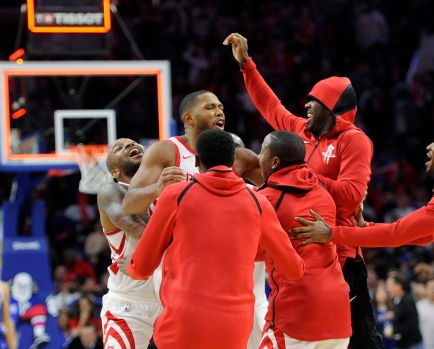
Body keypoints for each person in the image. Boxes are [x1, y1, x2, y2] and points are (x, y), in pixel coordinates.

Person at [292, 122, 434, 349]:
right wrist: (364, 227)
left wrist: (332, 233)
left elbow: (397, 234)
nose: (428, 147)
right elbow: (421, 236)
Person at [223, 32, 381, 349]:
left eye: (315, 101)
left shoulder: (354, 140)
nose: (306, 105)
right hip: (301, 250)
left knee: (362, 340)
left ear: (333, 108)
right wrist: (247, 65)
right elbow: (271, 105)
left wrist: (301, 173)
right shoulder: (300, 131)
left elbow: (351, 196)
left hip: (340, 252)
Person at [118, 129, 304, 349]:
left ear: (197, 160)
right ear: (234, 160)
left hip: (182, 324)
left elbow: (142, 267)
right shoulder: (259, 202)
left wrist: (130, 268)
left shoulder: (176, 194)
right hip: (235, 330)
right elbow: (294, 269)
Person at [256, 130, 351, 349]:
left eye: (262, 151)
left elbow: (248, 250)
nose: (258, 157)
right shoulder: (322, 191)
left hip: (298, 311)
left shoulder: (267, 199)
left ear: (275, 161)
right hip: (337, 310)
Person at [121, 90, 262, 216]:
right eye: (210, 107)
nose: (220, 112)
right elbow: (129, 205)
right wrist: (157, 189)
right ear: (189, 118)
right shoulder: (166, 151)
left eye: (221, 108)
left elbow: (276, 192)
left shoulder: (241, 157)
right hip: (180, 241)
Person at [96, 138, 161, 349]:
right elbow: (144, 233)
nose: (129, 146)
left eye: (132, 143)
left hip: (170, 301)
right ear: (114, 172)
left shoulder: (166, 189)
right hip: (130, 307)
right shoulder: (111, 191)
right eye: (119, 148)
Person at [228, 132, 269, 349]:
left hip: (255, 302)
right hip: (217, 304)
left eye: (236, 150)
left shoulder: (262, 195)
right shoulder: (193, 192)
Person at [384, 276, 423, 349]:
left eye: (389, 285)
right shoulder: (396, 301)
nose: (388, 289)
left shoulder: (408, 301)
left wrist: (393, 331)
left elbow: (412, 324)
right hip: (402, 344)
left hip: (412, 344)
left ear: (399, 286)